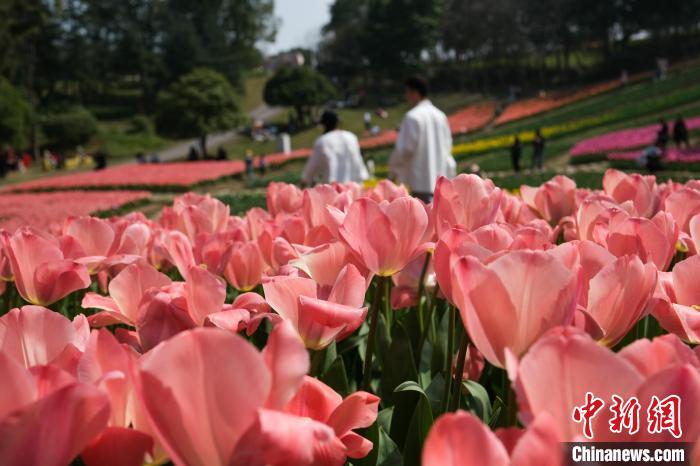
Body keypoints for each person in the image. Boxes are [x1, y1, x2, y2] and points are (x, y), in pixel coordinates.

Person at [388, 76, 456, 203]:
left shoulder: (412, 117)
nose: (406, 96)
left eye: (407, 92)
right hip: (440, 182)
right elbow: (448, 145)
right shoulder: (440, 116)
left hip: (420, 182)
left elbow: (405, 149)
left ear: (414, 92)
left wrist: (393, 169)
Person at [301, 110, 369, 187]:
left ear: (323, 124)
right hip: (356, 186)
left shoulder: (323, 141)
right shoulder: (351, 137)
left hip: (334, 190)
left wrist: (305, 181)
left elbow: (311, 167)